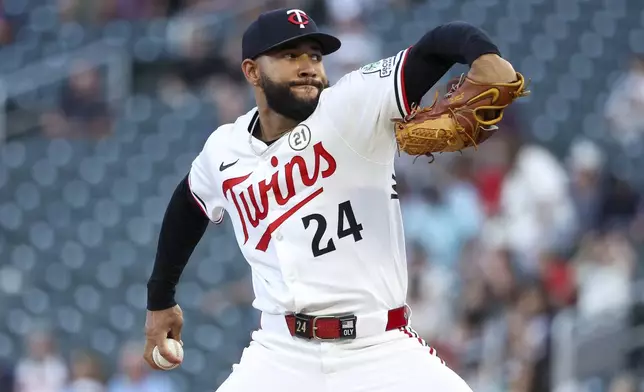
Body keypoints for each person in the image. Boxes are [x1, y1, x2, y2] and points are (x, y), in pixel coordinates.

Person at [143, 7, 518, 391]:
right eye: (290, 56)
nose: (308, 66)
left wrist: (484, 55)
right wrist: (160, 299)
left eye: (316, 56)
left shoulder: (353, 104)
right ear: (252, 71)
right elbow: (188, 203)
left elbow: (438, 44)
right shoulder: (224, 148)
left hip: (379, 346)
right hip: (280, 351)